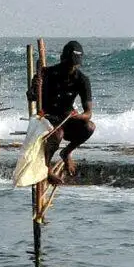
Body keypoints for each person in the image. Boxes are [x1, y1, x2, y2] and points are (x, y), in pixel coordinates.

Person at [27, 40, 95, 185]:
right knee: (58, 134)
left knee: (90, 127)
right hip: (46, 117)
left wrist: (78, 116)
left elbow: (88, 113)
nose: (70, 68)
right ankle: (46, 168)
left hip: (67, 118)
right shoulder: (45, 73)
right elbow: (31, 97)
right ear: (62, 59)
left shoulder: (82, 80)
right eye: (68, 63)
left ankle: (66, 152)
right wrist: (35, 88)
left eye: (73, 65)